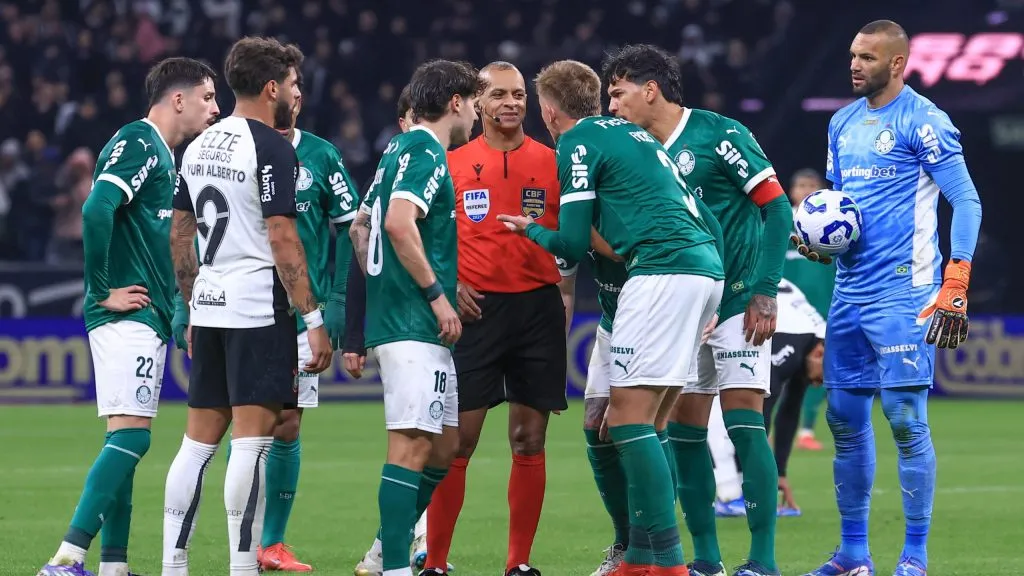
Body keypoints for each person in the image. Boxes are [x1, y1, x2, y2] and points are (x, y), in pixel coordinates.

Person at [499, 59, 725, 576]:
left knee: (626, 419)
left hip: (661, 274)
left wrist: (528, 230)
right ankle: (641, 553)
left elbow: (574, 245)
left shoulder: (577, 144)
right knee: (645, 419)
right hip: (699, 269)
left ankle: (666, 562)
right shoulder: (633, 136)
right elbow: (706, 214)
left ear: (549, 113)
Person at [794, 20, 982, 576]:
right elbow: (843, 209)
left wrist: (957, 279)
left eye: (867, 57)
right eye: (852, 55)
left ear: (897, 63)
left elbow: (966, 203)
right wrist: (819, 243)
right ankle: (854, 555)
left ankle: (915, 556)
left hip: (906, 292)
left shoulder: (926, 122)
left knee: (904, 417)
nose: (854, 65)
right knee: (845, 420)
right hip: (849, 294)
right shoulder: (842, 122)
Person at [603, 44, 791, 576]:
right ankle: (704, 559)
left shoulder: (719, 134)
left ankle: (761, 560)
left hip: (736, 304)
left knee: (743, 425)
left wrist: (764, 290)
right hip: (681, 309)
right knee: (686, 434)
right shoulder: (634, 150)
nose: (612, 107)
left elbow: (775, 207)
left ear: (650, 89)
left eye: (617, 94)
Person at [37, 57, 219, 576]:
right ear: (177, 99)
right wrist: (101, 293)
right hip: (127, 316)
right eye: (207, 97)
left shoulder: (164, 155)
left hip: (151, 315)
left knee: (126, 438)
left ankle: (114, 564)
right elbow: (96, 208)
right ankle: (68, 556)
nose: (215, 107)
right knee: (134, 437)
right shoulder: (140, 141)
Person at [161, 37, 333, 576]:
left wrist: (191, 303)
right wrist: (313, 317)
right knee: (252, 443)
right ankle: (241, 565)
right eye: (292, 83)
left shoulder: (200, 145)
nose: (296, 93)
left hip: (210, 304)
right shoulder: (273, 147)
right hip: (258, 308)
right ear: (271, 87)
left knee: (195, 445)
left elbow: (180, 233)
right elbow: (283, 238)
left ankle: (173, 563)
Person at [421, 61, 573, 576]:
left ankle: (518, 564)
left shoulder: (553, 162)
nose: (511, 103)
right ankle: (436, 563)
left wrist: (565, 296)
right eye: (499, 95)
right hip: (475, 310)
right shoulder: (451, 162)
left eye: (518, 95)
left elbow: (569, 239)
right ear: (477, 103)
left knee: (529, 439)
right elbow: (424, 234)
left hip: (537, 309)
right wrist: (448, 283)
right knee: (456, 440)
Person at [352, 59, 478, 576]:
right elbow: (400, 224)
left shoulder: (394, 151)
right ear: (455, 102)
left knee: (444, 445)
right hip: (413, 325)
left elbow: (362, 229)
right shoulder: (426, 149)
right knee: (409, 446)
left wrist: (382, 283)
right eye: (473, 102)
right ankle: (397, 567)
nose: (475, 114)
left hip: (404, 321)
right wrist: (434, 295)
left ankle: (385, 547)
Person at [761, 279, 826, 516]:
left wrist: (780, 473)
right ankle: (736, 490)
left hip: (775, 312)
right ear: (819, 354)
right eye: (822, 377)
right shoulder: (796, 341)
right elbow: (760, 413)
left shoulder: (814, 344)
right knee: (746, 408)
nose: (819, 384)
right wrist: (763, 481)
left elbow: (789, 412)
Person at [782, 168, 834, 452]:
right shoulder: (779, 220)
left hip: (822, 308)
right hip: (785, 308)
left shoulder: (833, 224)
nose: (805, 191)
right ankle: (766, 425)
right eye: (801, 185)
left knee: (819, 369)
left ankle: (806, 429)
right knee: (777, 368)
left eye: (812, 186)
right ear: (792, 191)